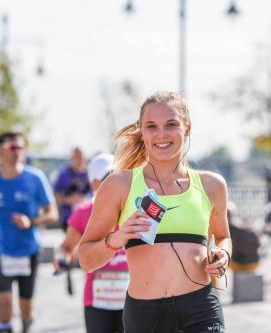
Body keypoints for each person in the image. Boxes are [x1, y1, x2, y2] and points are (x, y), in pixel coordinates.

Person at [78, 91, 231, 333]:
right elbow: (86, 259)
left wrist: (223, 254)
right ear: (142, 132)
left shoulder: (212, 185)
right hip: (146, 315)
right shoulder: (119, 184)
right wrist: (116, 239)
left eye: (171, 124)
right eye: (152, 126)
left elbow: (223, 236)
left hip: (200, 308)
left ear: (187, 128)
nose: (162, 133)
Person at [0, 131, 59, 333]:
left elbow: (52, 213)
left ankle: (27, 325)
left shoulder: (35, 178)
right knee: (5, 304)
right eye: (12, 148)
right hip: (1, 250)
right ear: (0, 150)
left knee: (26, 307)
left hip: (29, 250)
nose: (17, 152)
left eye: (20, 147)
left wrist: (32, 221)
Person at [54, 153, 128, 333]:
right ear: (94, 183)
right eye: (107, 177)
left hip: (131, 298)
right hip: (97, 300)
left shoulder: (134, 207)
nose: (113, 182)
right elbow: (66, 247)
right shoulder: (84, 211)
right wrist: (62, 259)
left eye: (117, 175)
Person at [54, 147, 91, 231]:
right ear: (72, 158)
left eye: (81, 156)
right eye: (76, 157)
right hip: (69, 218)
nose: (79, 159)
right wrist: (68, 199)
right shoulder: (64, 174)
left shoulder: (90, 173)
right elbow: (55, 195)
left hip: (88, 218)